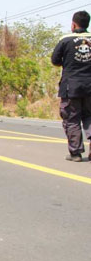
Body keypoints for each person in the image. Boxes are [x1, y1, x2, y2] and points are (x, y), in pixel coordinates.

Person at [51, 10, 91, 162]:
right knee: (89, 116)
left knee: (72, 118)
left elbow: (55, 60)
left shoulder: (66, 40)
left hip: (71, 87)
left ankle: (75, 153)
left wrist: (68, 62)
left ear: (73, 24)